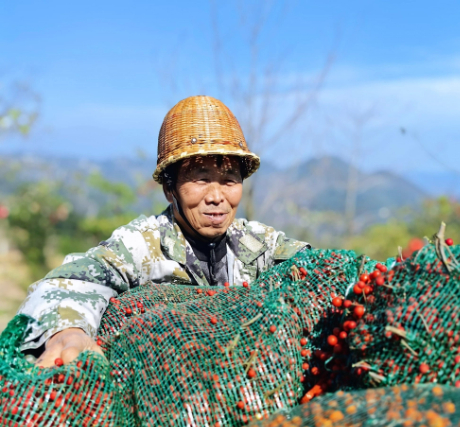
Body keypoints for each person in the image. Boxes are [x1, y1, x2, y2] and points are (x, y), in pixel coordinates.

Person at [18, 96, 310, 367]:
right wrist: (68, 332)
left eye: (229, 181)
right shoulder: (143, 245)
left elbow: (317, 269)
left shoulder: (258, 244)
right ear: (170, 189)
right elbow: (67, 284)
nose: (216, 196)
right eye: (201, 180)